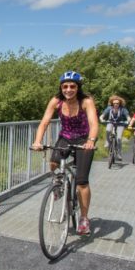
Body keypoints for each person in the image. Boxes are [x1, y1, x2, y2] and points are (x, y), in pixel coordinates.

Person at [30, 70, 99, 236]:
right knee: (53, 162)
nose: (68, 89)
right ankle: (59, 185)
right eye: (65, 86)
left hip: (84, 140)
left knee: (82, 181)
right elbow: (44, 122)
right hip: (65, 138)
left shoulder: (86, 101)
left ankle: (83, 218)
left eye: (72, 86)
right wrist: (37, 141)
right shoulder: (56, 101)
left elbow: (94, 123)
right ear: (61, 87)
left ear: (78, 87)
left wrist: (91, 140)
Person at [100, 95, 130, 159]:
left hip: (120, 123)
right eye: (114, 103)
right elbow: (102, 115)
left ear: (120, 103)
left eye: (117, 103)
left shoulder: (123, 109)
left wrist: (128, 121)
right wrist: (102, 119)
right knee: (108, 130)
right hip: (111, 122)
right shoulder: (109, 108)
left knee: (119, 138)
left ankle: (119, 153)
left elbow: (128, 117)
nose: (116, 104)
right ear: (112, 103)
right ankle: (108, 142)